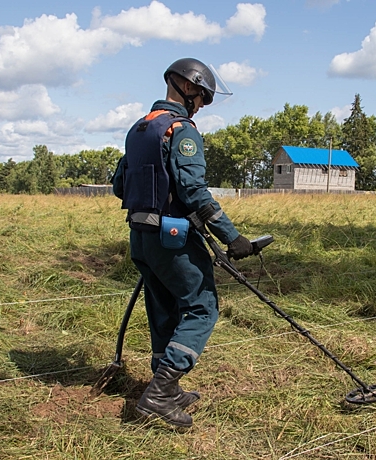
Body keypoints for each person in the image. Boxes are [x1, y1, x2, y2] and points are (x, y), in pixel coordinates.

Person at [111, 58, 254, 427]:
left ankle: (168, 388)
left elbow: (118, 187)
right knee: (202, 308)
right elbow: (193, 190)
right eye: (203, 97)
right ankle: (159, 393)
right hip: (172, 239)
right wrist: (232, 236)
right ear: (188, 88)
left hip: (140, 237)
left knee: (163, 311)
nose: (203, 105)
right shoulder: (182, 131)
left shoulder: (139, 128)